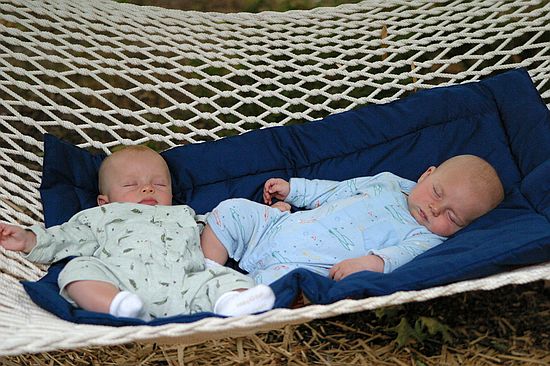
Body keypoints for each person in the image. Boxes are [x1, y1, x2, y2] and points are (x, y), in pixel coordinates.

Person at [0, 146, 275, 320]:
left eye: (158, 183)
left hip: (186, 281)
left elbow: (224, 230)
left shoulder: (185, 213)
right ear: (103, 201)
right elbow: (65, 238)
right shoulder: (100, 216)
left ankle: (232, 302)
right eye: (132, 184)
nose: (147, 189)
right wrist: (28, 239)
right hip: (120, 281)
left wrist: (269, 216)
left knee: (223, 276)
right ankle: (115, 306)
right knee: (77, 270)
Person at [200, 155, 505, 285]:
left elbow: (399, 256)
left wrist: (370, 264)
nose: (435, 209)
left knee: (271, 289)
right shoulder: (387, 182)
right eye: (436, 192)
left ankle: (221, 293)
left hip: (307, 265)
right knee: (231, 211)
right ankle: (207, 270)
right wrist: (294, 190)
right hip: (281, 225)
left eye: (451, 216)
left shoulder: (426, 237)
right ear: (427, 174)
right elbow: (338, 189)